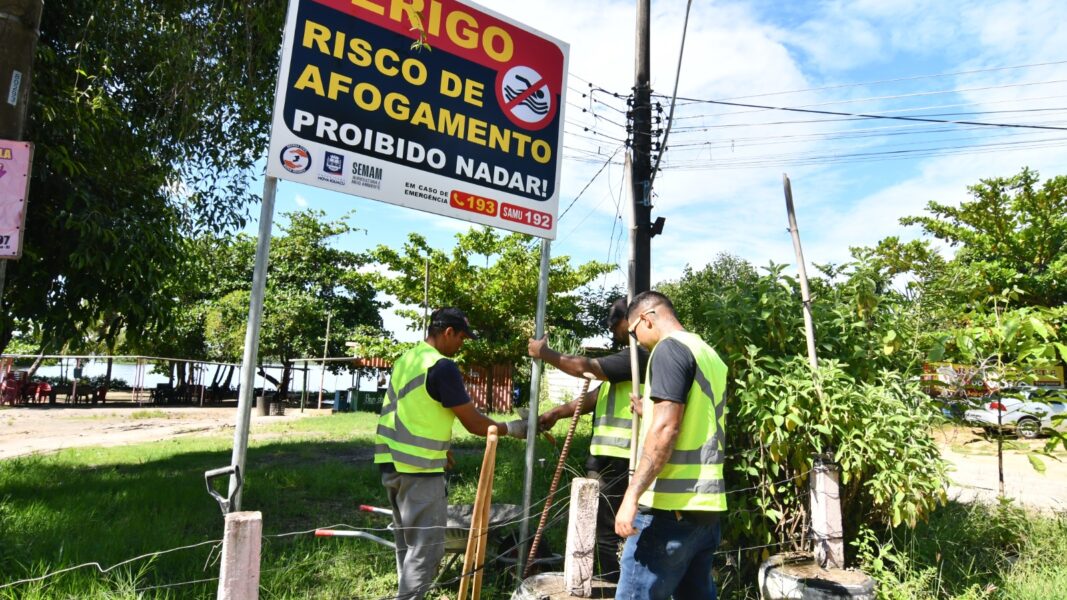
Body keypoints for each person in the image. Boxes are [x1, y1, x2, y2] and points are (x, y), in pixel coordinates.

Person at [375, 307, 527, 600]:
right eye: (461, 338)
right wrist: (514, 427)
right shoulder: (442, 367)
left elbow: (411, 410)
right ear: (448, 333)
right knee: (426, 552)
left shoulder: (409, 359)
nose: (462, 344)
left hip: (391, 464)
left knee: (407, 548)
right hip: (419, 471)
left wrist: (441, 448)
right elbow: (474, 423)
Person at [614, 291, 729, 600]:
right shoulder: (708, 354)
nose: (636, 341)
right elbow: (696, 415)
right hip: (705, 511)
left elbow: (666, 429)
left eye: (634, 331)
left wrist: (631, 495)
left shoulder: (668, 350)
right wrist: (648, 411)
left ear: (647, 319)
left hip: (668, 511)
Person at [529, 298, 649, 582]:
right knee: (601, 526)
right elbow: (597, 396)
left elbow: (585, 366)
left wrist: (544, 353)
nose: (611, 331)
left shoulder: (639, 356)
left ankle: (614, 584)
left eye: (614, 324)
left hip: (621, 458)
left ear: (631, 320)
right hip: (607, 456)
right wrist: (559, 412)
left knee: (608, 530)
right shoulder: (627, 360)